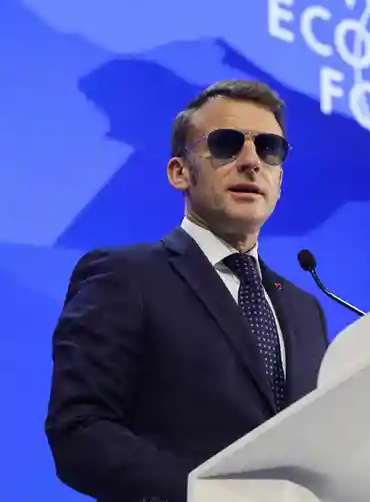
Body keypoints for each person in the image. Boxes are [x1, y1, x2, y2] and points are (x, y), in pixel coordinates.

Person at [45, 80, 329, 502]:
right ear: (180, 172)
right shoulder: (125, 275)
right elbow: (80, 430)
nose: (251, 161)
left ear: (280, 178)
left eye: (269, 148)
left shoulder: (306, 311)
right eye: (226, 144)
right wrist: (211, 496)